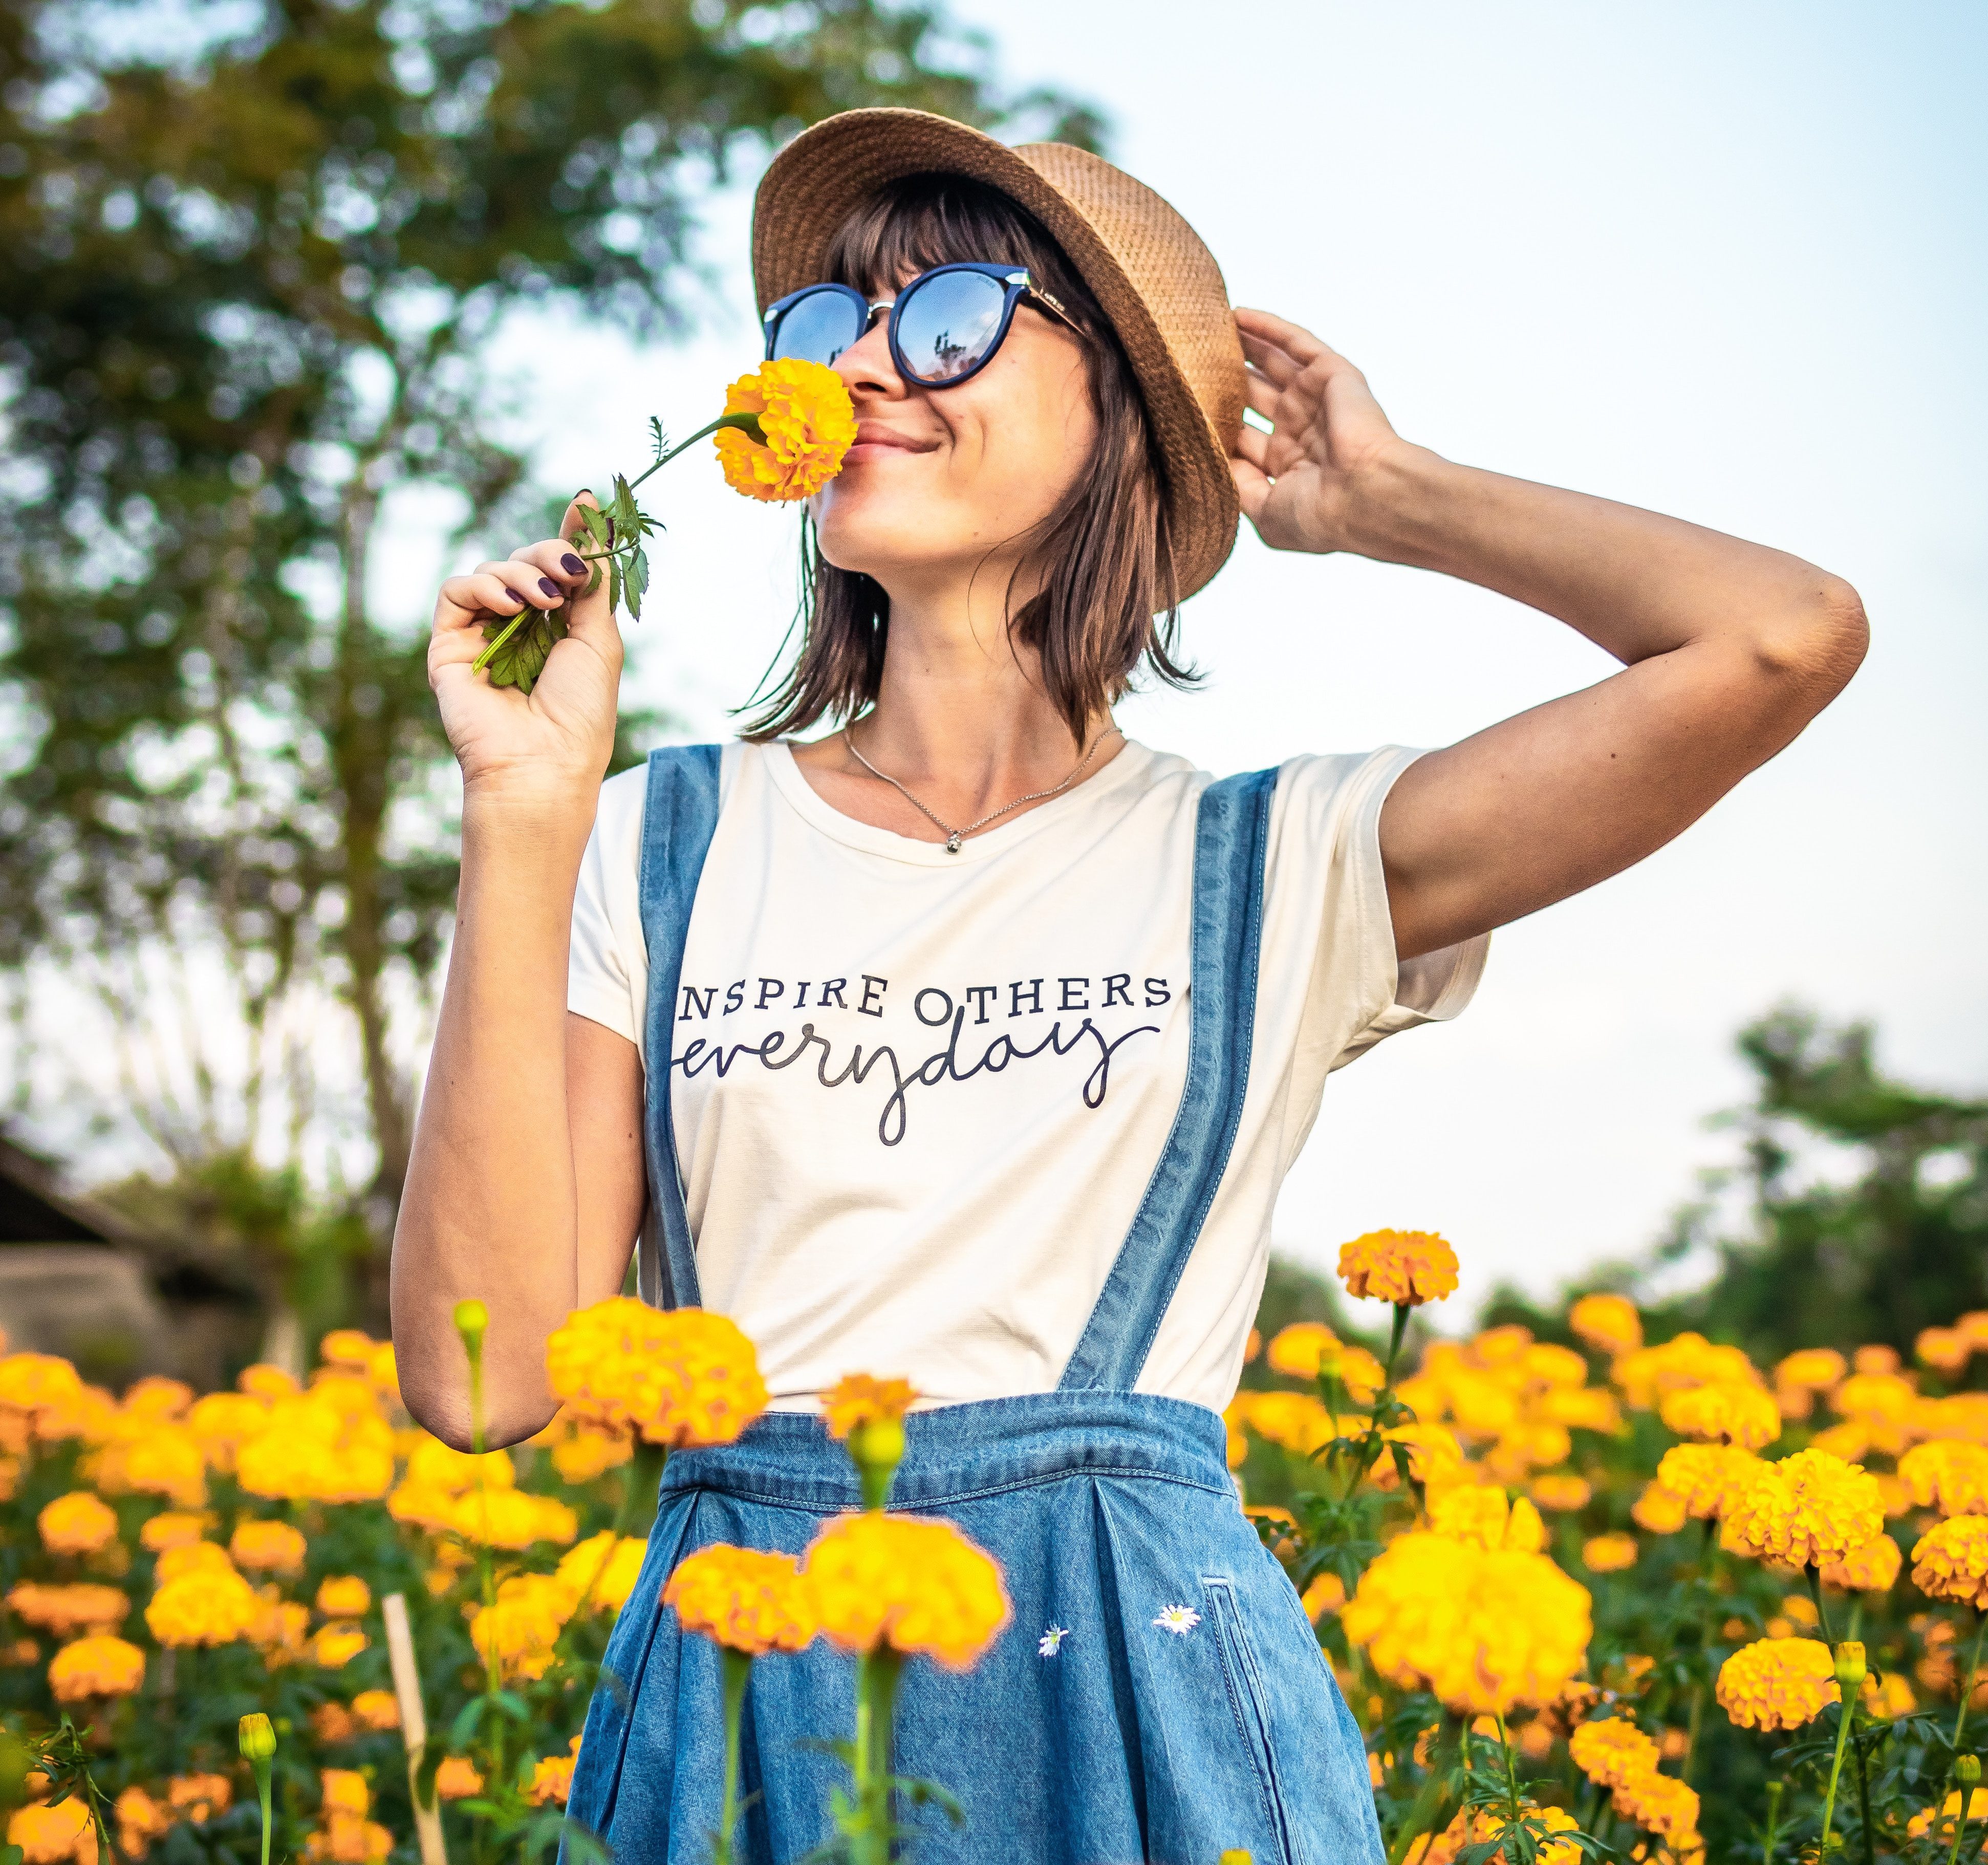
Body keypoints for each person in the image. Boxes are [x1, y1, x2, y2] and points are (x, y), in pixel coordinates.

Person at [391, 109, 1866, 1863]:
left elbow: (1781, 636)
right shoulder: (660, 840)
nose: (861, 367)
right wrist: (521, 806)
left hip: (1144, 1686)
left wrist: (1392, 500)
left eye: (942, 317)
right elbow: (481, 1384)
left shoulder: (1283, 858)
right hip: (746, 1688)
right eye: (822, 329)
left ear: (1124, 422)